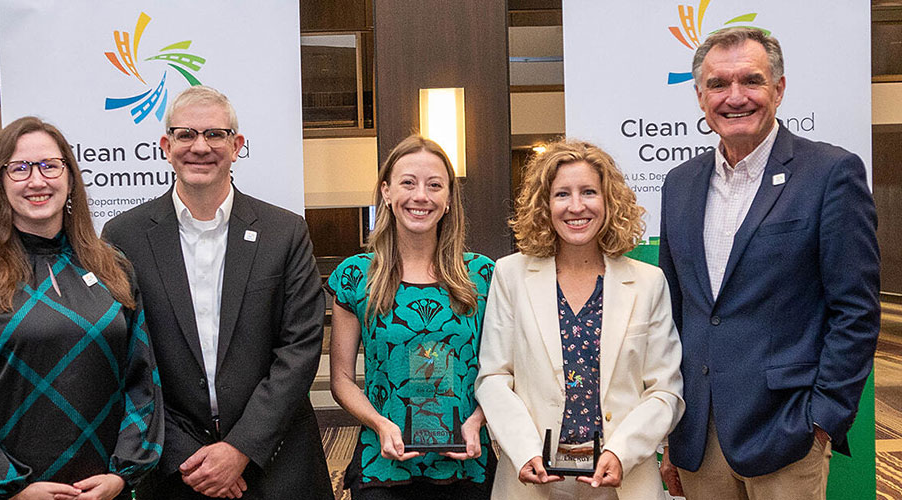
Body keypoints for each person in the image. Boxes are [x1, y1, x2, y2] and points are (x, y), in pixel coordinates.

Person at [657, 27, 880, 500]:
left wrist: (822, 421)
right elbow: (675, 314)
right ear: (700, 96)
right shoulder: (679, 184)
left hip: (787, 433)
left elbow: (856, 312)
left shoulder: (830, 174)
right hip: (699, 434)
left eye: (751, 81)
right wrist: (671, 429)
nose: (734, 97)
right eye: (718, 84)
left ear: (778, 89)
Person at [102, 85, 333, 500]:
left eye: (215, 134)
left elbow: (300, 348)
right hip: (177, 467)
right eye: (186, 135)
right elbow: (126, 358)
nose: (200, 147)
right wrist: (188, 455)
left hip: (277, 460)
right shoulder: (124, 237)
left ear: (237, 144)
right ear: (165, 145)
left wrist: (240, 447)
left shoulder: (284, 232)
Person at [0, 116, 163, 500]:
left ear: (69, 178)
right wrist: (12, 487)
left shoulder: (112, 267)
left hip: (99, 491)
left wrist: (122, 473)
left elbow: (142, 381)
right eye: (19, 168)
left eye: (50, 166)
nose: (37, 180)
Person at [476, 140, 684, 500]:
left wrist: (622, 452)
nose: (576, 207)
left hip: (623, 480)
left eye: (589, 192)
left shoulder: (648, 283)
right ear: (545, 204)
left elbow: (665, 390)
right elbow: (494, 377)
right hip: (534, 479)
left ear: (609, 201)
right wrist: (525, 450)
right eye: (562, 194)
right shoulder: (509, 275)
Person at [327, 135, 495, 499]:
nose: (421, 196)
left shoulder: (482, 276)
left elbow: (502, 371)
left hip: (467, 460)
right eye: (408, 183)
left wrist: (478, 420)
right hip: (384, 463)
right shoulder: (357, 276)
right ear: (386, 192)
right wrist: (380, 424)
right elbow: (341, 379)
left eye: (435, 185)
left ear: (448, 199)